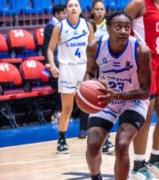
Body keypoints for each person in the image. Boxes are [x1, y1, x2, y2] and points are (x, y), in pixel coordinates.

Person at [84, 12, 152, 180]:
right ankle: (96, 177)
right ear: (108, 29)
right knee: (93, 146)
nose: (123, 31)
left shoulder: (141, 51)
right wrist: (88, 86)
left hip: (133, 100)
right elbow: (90, 73)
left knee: (122, 145)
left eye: (127, 27)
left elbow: (146, 91)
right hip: (106, 98)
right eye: (118, 27)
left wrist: (119, 96)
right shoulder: (94, 46)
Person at [125, 0, 159, 179]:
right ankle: (138, 167)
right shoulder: (138, 4)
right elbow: (116, 27)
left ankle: (155, 161)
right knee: (145, 119)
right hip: (144, 68)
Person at [47, 0, 94, 154]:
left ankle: (103, 139)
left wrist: (95, 68)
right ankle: (61, 139)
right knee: (67, 108)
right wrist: (53, 65)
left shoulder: (87, 26)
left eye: (76, 5)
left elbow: (93, 49)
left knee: (93, 105)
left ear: (80, 9)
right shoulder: (59, 27)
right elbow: (50, 49)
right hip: (66, 69)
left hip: (83, 68)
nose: (73, 8)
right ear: (66, 10)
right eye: (70, 6)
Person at [89, 0, 115, 154]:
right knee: (97, 103)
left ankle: (106, 140)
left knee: (106, 104)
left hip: (109, 68)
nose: (99, 12)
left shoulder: (110, 25)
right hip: (94, 67)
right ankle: (103, 140)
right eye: (97, 9)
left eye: (102, 9)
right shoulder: (88, 26)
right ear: (92, 11)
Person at [43, 4, 67, 124]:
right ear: (57, 14)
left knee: (62, 89)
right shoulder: (51, 27)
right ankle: (56, 113)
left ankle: (61, 113)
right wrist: (49, 63)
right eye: (63, 12)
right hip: (55, 64)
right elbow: (47, 47)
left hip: (61, 63)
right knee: (58, 90)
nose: (65, 15)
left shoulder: (61, 26)